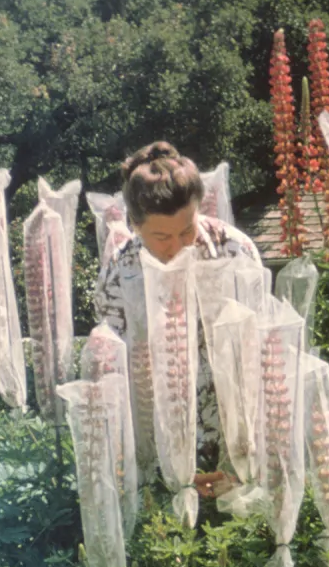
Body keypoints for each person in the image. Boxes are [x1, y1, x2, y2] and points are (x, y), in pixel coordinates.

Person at [93, 141, 261, 500]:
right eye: (162, 237)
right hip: (163, 462)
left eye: (187, 230)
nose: (178, 246)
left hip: (239, 452)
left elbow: (261, 359)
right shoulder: (118, 277)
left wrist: (243, 464)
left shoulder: (236, 252)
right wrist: (169, 475)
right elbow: (118, 382)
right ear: (135, 227)